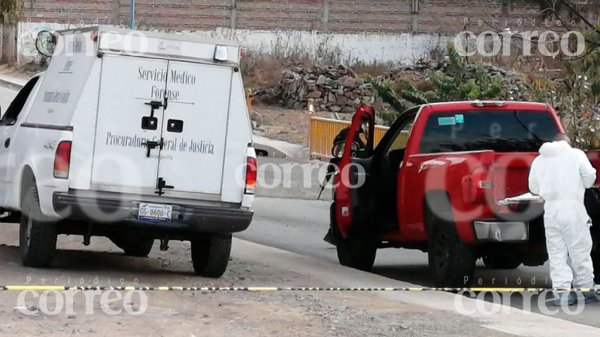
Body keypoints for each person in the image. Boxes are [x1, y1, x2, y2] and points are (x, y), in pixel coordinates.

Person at [529, 133, 598, 305]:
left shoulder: (539, 160)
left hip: (551, 211)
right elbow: (590, 179)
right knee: (580, 251)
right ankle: (585, 290)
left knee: (556, 253)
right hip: (574, 209)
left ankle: (562, 294)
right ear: (567, 142)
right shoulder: (576, 155)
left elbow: (534, 187)